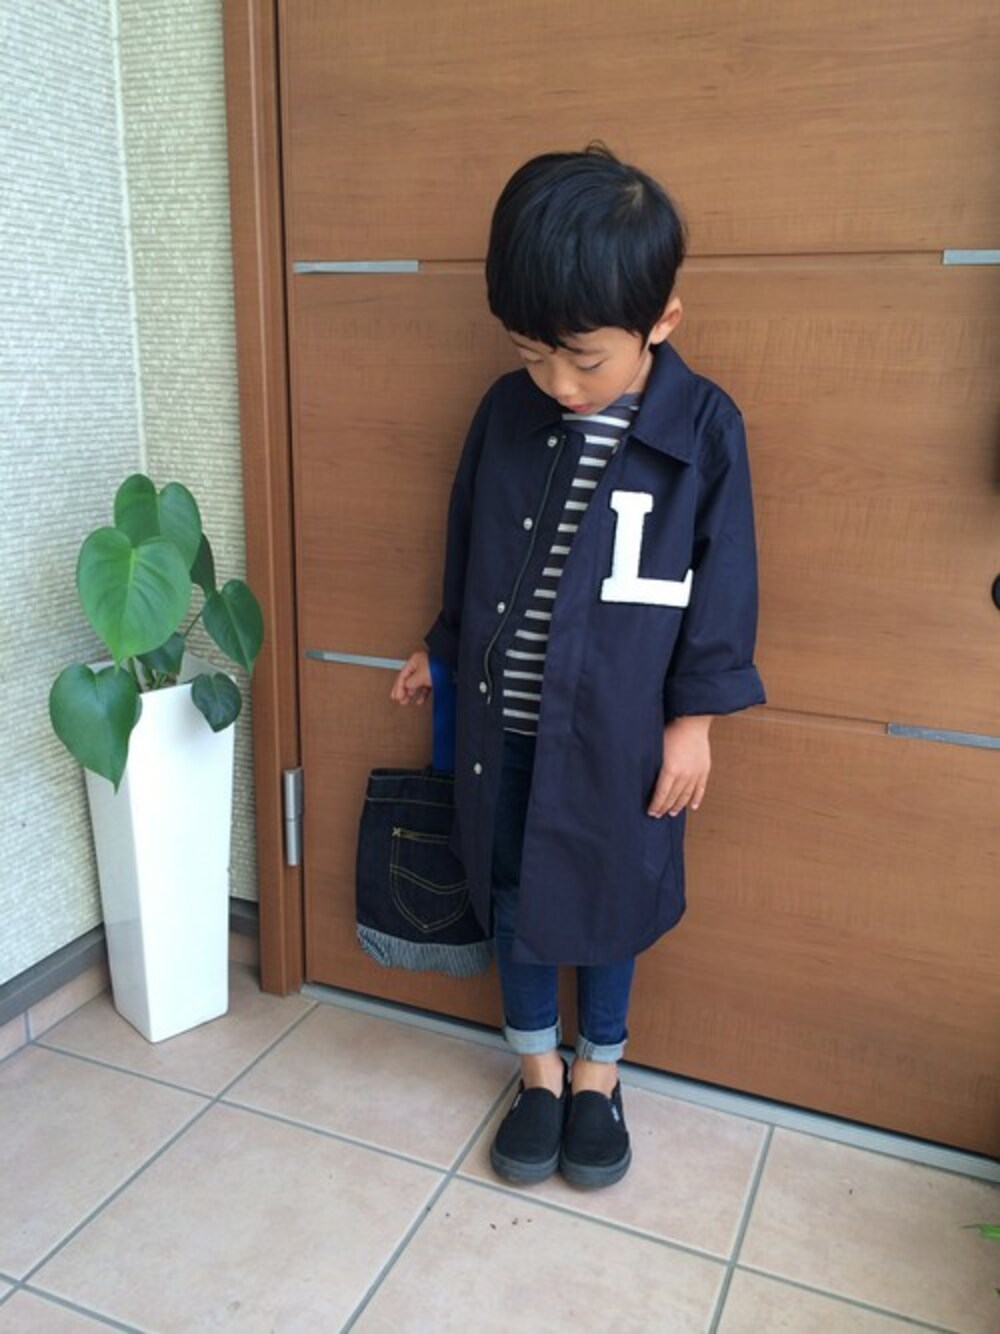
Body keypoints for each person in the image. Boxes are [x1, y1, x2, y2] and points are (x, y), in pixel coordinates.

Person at [391, 145, 765, 1190]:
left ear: (661, 323)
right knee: (511, 898)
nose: (558, 384)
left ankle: (598, 1073)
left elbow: (725, 585)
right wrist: (440, 645)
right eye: (531, 354)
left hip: (619, 737)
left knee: (610, 899)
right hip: (504, 725)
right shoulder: (505, 413)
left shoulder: (703, 429)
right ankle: (538, 1072)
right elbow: (469, 544)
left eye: (583, 362)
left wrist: (693, 723)